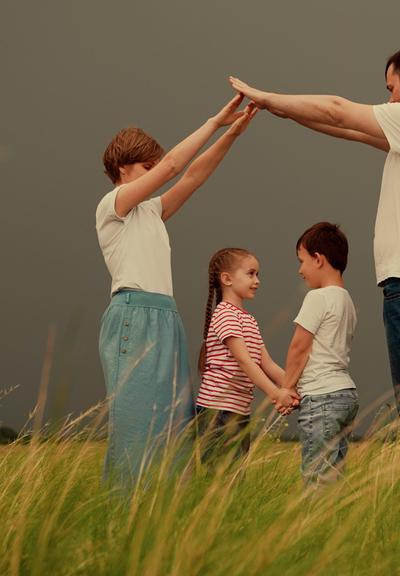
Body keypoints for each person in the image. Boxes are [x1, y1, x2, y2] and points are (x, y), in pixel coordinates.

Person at [229, 43, 400, 491]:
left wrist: (265, 95)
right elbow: (345, 129)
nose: (390, 99)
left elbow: (339, 110)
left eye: (391, 87)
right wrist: (280, 111)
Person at [96, 95, 258, 488]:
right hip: (134, 315)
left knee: (173, 425)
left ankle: (163, 514)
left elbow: (194, 175)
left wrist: (231, 134)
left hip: (166, 317)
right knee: (136, 426)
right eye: (145, 168)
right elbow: (173, 166)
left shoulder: (150, 212)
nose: (155, 173)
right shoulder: (112, 205)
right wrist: (215, 121)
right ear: (122, 168)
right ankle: (124, 512)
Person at [196, 247, 299, 463]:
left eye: (257, 274)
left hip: (238, 412)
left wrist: (292, 388)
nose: (257, 280)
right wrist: (275, 393)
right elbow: (244, 361)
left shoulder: (248, 320)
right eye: (251, 273)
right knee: (218, 479)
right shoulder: (225, 314)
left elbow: (267, 363)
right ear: (227, 279)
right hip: (218, 412)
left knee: (234, 477)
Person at [284, 223, 358, 485]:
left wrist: (286, 388)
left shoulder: (317, 298)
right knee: (333, 474)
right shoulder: (347, 301)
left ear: (318, 259)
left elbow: (299, 347)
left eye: (302, 261)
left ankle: (313, 525)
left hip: (321, 397)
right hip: (345, 395)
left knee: (316, 477)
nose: (300, 270)